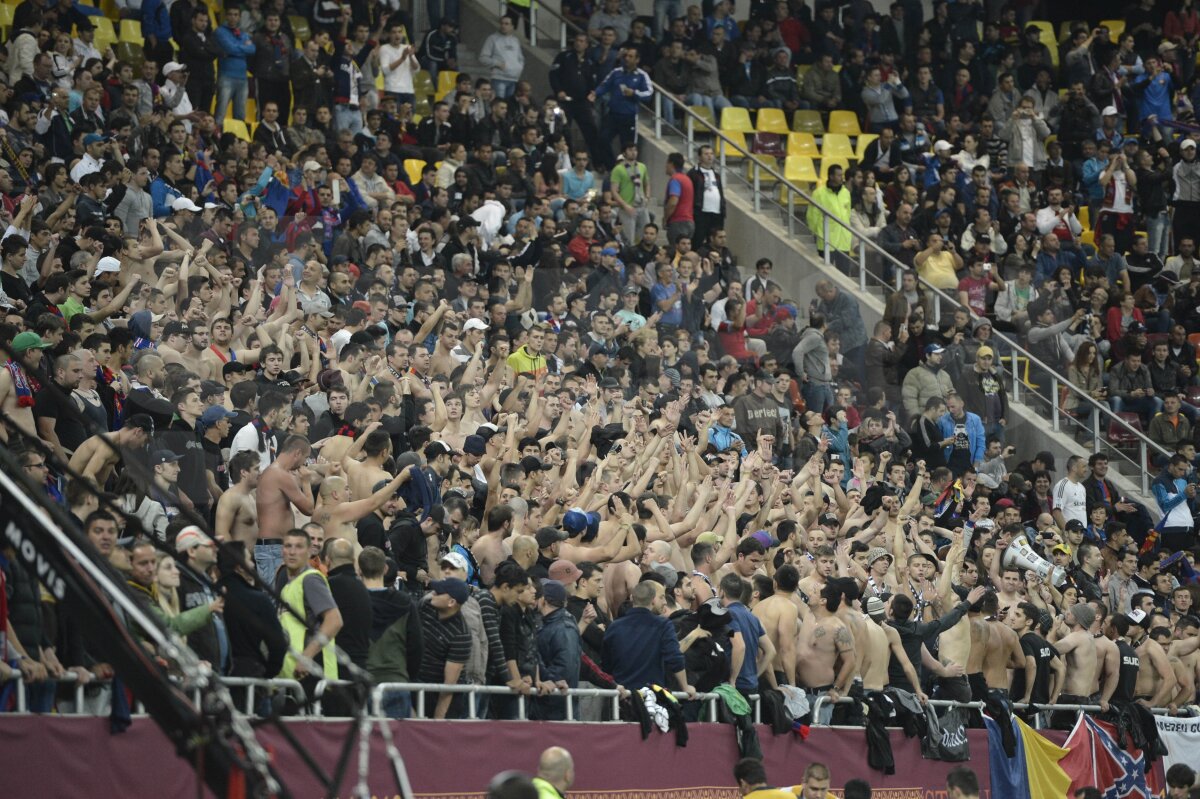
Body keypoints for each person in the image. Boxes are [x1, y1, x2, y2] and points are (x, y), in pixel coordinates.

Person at [602, 580, 696, 698]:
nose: (665, 602)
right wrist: (685, 687)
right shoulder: (662, 625)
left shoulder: (614, 627)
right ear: (653, 600)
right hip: (651, 700)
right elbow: (675, 658)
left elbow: (606, 665)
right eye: (662, 597)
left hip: (620, 700)